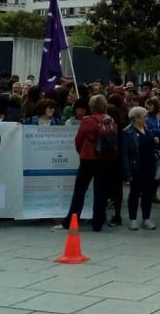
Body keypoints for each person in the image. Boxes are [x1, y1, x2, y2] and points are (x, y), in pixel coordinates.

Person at [57, 95, 116, 232]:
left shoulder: (88, 121)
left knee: (80, 191)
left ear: (91, 107)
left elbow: (79, 140)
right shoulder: (110, 120)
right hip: (106, 160)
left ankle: (71, 221)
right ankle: (98, 223)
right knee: (101, 192)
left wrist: (82, 152)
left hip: (88, 159)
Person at [122, 107, 158, 231]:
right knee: (134, 193)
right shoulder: (128, 132)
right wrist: (128, 172)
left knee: (147, 193)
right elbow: (125, 154)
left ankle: (146, 218)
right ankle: (133, 219)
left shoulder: (147, 130)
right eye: (144, 117)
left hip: (149, 166)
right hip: (136, 167)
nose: (146, 119)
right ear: (136, 118)